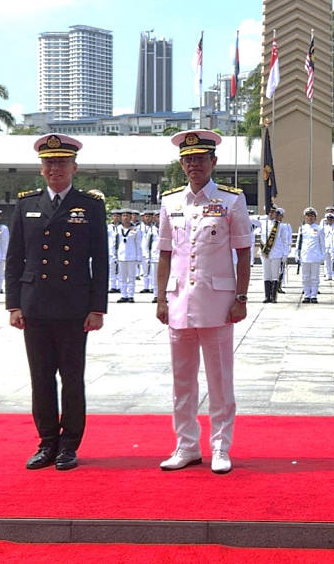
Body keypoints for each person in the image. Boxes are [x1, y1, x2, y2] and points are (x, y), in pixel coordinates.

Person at [6, 133, 107, 472]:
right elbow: (15, 258)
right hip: (35, 305)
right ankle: (47, 441)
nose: (55, 168)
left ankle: (69, 445)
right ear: (41, 169)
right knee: (41, 377)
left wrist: (97, 308)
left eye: (62, 162)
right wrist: (14, 305)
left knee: (73, 377)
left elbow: (101, 261)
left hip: (73, 306)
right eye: (49, 163)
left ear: (74, 167)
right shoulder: (26, 205)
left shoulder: (90, 206)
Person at [156, 130, 252, 475]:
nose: (194, 164)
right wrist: (161, 297)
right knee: (182, 381)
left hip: (218, 301)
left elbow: (243, 253)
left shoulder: (231, 200)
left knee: (219, 380)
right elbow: (165, 254)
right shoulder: (170, 202)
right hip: (179, 300)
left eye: (201, 158)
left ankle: (221, 447)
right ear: (181, 163)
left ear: (213, 162)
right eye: (188, 159)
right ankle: (186, 445)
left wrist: (240, 298)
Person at [296, 207, 326, 303]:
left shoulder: (319, 228)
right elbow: (298, 242)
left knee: (314, 277)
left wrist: (323, 255)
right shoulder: (302, 228)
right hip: (304, 256)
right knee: (305, 277)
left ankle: (313, 295)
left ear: (315, 218)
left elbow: (322, 243)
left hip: (315, 256)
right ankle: (306, 295)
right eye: (308, 216)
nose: (310, 218)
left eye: (312, 216)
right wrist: (297, 253)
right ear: (305, 217)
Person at [116, 209, 142, 302]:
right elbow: (115, 243)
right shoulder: (118, 228)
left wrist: (139, 257)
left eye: (127, 215)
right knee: (122, 277)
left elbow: (138, 244)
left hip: (132, 256)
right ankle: (123, 295)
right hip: (121, 256)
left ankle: (130, 295)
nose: (125, 217)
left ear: (131, 217)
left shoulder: (136, 229)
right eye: (124, 215)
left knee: (131, 277)